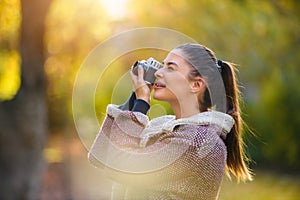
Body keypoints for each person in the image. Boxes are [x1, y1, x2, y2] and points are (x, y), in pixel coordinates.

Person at [88, 43, 253, 200]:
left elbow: (119, 166)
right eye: (162, 65)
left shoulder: (198, 142)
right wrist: (134, 100)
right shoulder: (165, 129)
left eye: (170, 68)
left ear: (196, 84)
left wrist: (142, 104)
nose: (159, 72)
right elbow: (100, 155)